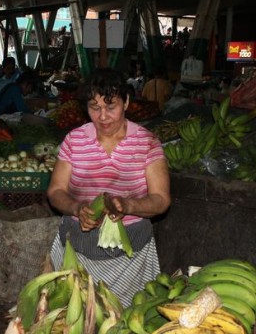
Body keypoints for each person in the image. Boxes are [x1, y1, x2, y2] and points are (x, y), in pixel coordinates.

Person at [46, 69, 171, 307]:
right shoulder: (75, 140)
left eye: (110, 106)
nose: (103, 116)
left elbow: (161, 199)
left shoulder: (147, 142)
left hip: (131, 255)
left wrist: (128, 205)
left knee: (125, 317)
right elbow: (55, 191)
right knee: (76, 315)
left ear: (126, 102)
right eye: (94, 107)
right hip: (78, 246)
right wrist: (77, 207)